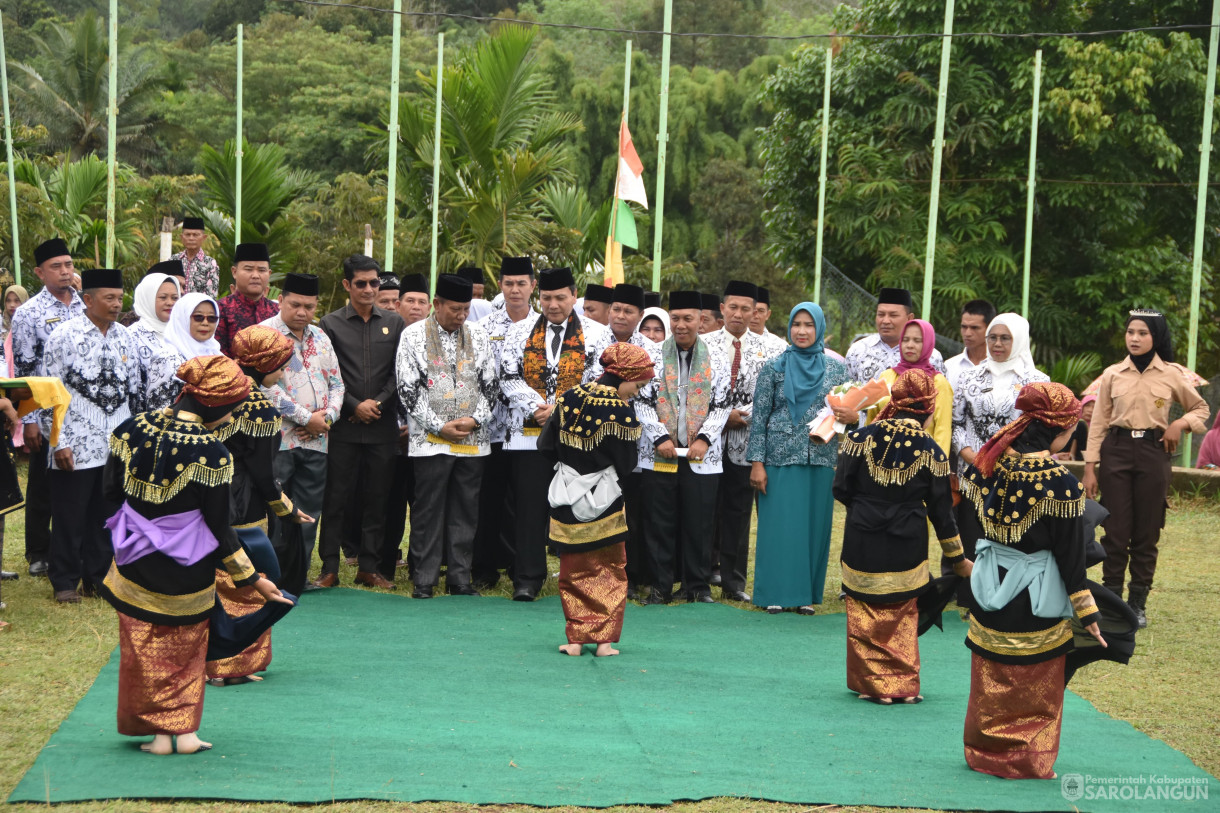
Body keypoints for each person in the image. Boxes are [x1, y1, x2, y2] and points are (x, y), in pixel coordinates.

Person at [98, 355, 293, 755]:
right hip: (189, 569)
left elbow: (109, 495)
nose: (234, 416)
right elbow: (220, 530)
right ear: (214, 404)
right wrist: (253, 579)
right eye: (233, 407)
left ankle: (158, 737)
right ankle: (184, 734)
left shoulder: (130, 428)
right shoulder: (213, 454)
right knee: (188, 650)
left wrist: (140, 527)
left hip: (136, 557)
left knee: (142, 646)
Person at [958, 382, 1105, 779]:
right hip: (1038, 592)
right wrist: (1087, 611)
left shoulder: (987, 466)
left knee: (992, 671)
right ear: (1060, 430)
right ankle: (1026, 758)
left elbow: (966, 524)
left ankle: (985, 752)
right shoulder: (1062, 484)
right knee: (1035, 675)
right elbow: (1071, 559)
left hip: (990, 585)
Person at [834, 369, 970, 703]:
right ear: (929, 409)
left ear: (893, 400)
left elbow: (840, 488)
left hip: (861, 538)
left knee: (865, 610)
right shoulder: (933, 453)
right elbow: (942, 515)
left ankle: (871, 685)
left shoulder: (858, 439)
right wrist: (958, 560)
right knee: (900, 614)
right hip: (907, 542)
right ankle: (900, 686)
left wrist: (866, 509)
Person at [1082, 309, 1209, 628]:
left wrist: (1180, 423)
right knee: (1115, 530)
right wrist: (1089, 468)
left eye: (1143, 333)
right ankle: (1111, 604)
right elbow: (1098, 423)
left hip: (1154, 453)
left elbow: (1201, 409)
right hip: (1117, 450)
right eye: (1130, 332)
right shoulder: (1113, 374)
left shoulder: (1171, 374)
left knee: (1147, 531)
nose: (1135, 338)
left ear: (1156, 337)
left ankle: (1137, 605)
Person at [499, 267, 612, 601]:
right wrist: (537, 405)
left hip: (576, 434)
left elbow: (601, 379)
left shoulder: (597, 333)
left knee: (576, 504)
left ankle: (579, 577)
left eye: (560, 297)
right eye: (546, 298)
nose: (552, 304)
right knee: (529, 507)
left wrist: (561, 408)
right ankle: (528, 579)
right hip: (527, 434)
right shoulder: (519, 331)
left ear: (574, 297)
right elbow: (507, 376)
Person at [207, 325, 312, 685]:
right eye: (280, 365)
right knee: (246, 576)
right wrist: (285, 508)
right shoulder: (259, 409)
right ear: (264, 364)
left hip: (208, 492)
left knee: (218, 576)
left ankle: (212, 660)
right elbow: (264, 475)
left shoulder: (216, 394)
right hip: (244, 500)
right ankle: (231, 664)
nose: (283, 373)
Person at [539, 343, 652, 656]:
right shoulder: (622, 411)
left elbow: (545, 445)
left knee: (572, 569)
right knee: (611, 568)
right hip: (606, 498)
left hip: (565, 494)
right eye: (638, 384)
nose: (637, 392)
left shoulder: (568, 397)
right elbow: (627, 465)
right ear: (623, 376)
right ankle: (603, 642)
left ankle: (575, 640)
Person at [43, 268, 142, 603]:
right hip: (76, 442)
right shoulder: (63, 336)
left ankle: (97, 578)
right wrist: (59, 442)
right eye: (109, 298)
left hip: (115, 443)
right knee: (70, 515)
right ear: (88, 299)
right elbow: (50, 394)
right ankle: (65, 581)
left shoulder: (125, 337)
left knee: (107, 514)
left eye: (120, 298)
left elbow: (133, 393)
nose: (117, 305)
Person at [747, 303, 852, 614]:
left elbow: (844, 415)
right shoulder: (774, 368)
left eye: (809, 325)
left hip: (820, 457)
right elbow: (759, 418)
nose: (802, 331)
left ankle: (805, 595)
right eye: (797, 325)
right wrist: (756, 463)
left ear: (818, 328)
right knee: (779, 526)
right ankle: (775, 593)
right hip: (778, 458)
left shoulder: (836, 370)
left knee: (813, 527)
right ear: (789, 328)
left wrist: (851, 416)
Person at [397, 274, 497, 598]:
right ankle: (424, 579)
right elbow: (408, 389)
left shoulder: (479, 336)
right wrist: (440, 426)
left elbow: (491, 387)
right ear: (436, 304)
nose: (461, 315)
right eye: (454, 308)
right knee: (428, 509)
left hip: (472, 440)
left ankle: (460, 578)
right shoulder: (412, 336)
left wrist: (473, 419)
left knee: (466, 509)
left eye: (466, 309)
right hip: (430, 440)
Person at [313, 255, 405, 589]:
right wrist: (353, 405)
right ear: (347, 285)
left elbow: (400, 372)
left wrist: (376, 403)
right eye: (361, 283)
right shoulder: (330, 324)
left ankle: (369, 566)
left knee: (377, 498)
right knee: (336, 498)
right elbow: (327, 374)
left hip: (381, 425)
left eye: (374, 282)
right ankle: (329, 568)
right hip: (344, 426)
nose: (369, 289)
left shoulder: (395, 324)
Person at [634, 290, 730, 605]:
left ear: (701, 320)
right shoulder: (652, 356)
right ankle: (660, 586)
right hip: (659, 454)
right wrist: (659, 437)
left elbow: (722, 404)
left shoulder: (716, 356)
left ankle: (697, 586)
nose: (681, 325)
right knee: (659, 523)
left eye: (687, 318)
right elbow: (642, 402)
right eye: (675, 318)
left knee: (700, 523)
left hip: (703, 456)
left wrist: (704, 439)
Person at [10, 238, 84, 577]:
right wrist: (29, 420)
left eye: (68, 264)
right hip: (46, 412)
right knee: (42, 483)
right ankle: (38, 551)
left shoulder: (86, 305)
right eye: (57, 266)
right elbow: (24, 371)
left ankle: (75, 547)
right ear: (40, 273)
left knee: (80, 482)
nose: (66, 271)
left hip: (83, 410)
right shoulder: (29, 313)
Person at [262, 273, 344, 572]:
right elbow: (261, 387)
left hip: (318, 440)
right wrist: (305, 418)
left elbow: (337, 385)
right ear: (280, 300)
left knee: (309, 510)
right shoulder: (263, 335)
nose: (302, 313)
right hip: (279, 439)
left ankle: (299, 574)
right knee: (276, 509)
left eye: (309, 307)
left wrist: (326, 419)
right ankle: (271, 573)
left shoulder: (321, 337)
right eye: (295, 304)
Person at [472, 257, 537, 590]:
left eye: (521, 283)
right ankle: (484, 569)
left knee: (525, 502)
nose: (515, 290)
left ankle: (520, 568)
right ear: (501, 285)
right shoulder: (483, 327)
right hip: (490, 429)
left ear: (532, 287)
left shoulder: (543, 326)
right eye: (509, 283)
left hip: (529, 431)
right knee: (490, 499)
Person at [704, 280, 768, 603]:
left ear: (756, 312)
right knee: (704, 510)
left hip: (746, 442)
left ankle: (734, 582)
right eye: (733, 307)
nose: (739, 314)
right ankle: (699, 577)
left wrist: (741, 415)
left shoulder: (771, 350)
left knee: (739, 513)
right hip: (707, 443)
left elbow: (771, 396)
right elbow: (695, 389)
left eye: (747, 309)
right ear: (722, 309)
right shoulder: (703, 344)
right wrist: (721, 415)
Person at [605, 283, 662, 596]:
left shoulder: (652, 351)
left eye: (628, 311)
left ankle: (634, 576)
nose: (620, 315)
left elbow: (653, 395)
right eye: (616, 309)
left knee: (635, 511)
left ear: (639, 315)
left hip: (638, 442)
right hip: (599, 442)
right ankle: (604, 573)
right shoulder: (594, 342)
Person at [952, 313, 1048, 473]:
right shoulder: (969, 376)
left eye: (1005, 338)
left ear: (1019, 340)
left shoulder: (1037, 381)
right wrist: (969, 454)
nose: (997, 344)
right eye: (992, 337)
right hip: (972, 469)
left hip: (1017, 471)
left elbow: (1040, 428)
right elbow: (956, 422)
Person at [866, 319, 953, 456]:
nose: (910, 345)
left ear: (928, 344)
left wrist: (937, 469)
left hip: (920, 461)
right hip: (883, 456)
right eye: (905, 340)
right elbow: (872, 420)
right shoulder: (887, 376)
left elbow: (943, 430)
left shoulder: (938, 382)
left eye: (917, 341)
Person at [846, 288, 945, 383]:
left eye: (893, 315)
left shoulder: (932, 357)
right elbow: (845, 391)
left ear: (909, 318)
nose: (885, 321)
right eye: (881, 314)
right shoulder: (858, 351)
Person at [128, 264, 185, 413]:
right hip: (145, 420)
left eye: (174, 297)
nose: (170, 303)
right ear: (147, 298)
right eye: (163, 297)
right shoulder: (132, 336)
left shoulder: (184, 333)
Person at [216, 242, 279, 357]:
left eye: (261, 270)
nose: (255, 275)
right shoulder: (219, 309)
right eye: (249, 269)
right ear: (234, 272)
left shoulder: (277, 312)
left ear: (269, 273)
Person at [944, 299, 996, 390]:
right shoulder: (949, 367)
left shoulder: (1000, 367)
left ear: (990, 329)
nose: (967, 333)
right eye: (964, 327)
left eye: (975, 328)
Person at [171, 217, 220, 297]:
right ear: (182, 237)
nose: (191, 238)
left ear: (203, 238)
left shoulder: (210, 264)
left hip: (199, 308)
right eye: (187, 234)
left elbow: (211, 294)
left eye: (195, 235)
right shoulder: (173, 260)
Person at [748, 287, 788, 360]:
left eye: (761, 311)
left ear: (768, 314)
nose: (755, 316)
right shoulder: (733, 343)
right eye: (751, 310)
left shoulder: (780, 347)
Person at [0, 284, 29, 372]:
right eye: (8, 301)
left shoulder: (30, 325)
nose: (12, 305)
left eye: (17, 301)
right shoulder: (1, 324)